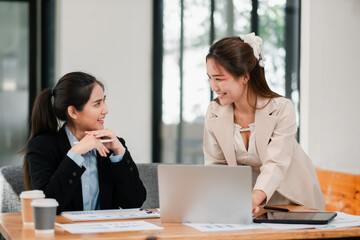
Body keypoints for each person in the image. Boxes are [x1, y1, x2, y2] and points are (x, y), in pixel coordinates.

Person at [203, 33, 325, 214]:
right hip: (249, 205)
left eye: (219, 78)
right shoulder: (214, 112)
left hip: (292, 201)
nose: (213, 86)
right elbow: (216, 165)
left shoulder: (281, 108)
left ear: (244, 77)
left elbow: (275, 163)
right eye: (210, 78)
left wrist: (252, 199)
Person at [23, 71, 146, 214]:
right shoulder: (43, 146)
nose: (105, 110)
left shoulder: (112, 145)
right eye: (97, 104)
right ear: (73, 112)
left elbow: (134, 202)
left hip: (105, 234)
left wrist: (120, 152)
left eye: (104, 101)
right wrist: (75, 154)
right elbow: (46, 205)